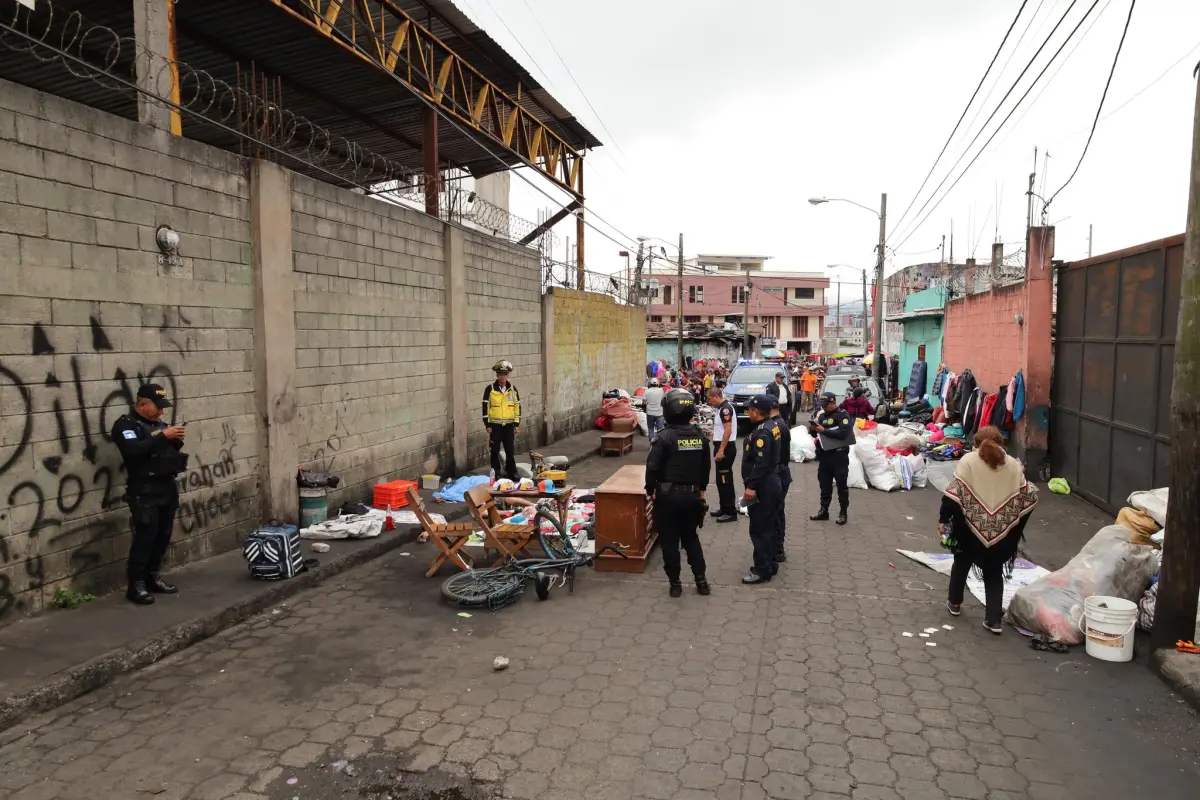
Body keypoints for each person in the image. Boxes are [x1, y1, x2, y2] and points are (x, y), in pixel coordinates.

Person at [940, 426, 1039, 633]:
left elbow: (953, 495)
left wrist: (944, 519)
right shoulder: (1013, 465)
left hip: (969, 527)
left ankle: (955, 603)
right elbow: (1029, 495)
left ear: (976, 443)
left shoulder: (968, 461)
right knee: (993, 571)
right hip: (1001, 531)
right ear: (1002, 443)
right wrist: (1013, 523)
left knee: (961, 562)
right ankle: (993, 620)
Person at [111, 384, 188, 605]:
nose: (161, 411)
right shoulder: (125, 425)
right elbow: (133, 450)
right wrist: (163, 436)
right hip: (144, 490)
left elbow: (163, 450)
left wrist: (174, 439)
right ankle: (136, 584)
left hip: (166, 486)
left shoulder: (159, 426)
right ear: (142, 404)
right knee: (146, 536)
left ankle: (152, 576)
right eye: (158, 407)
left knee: (163, 535)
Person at [644, 390, 712, 598]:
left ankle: (675, 584)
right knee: (691, 537)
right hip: (692, 496)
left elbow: (652, 467)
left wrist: (650, 490)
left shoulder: (663, 437)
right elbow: (706, 466)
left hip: (668, 498)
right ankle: (701, 582)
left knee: (670, 541)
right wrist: (702, 489)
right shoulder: (700, 435)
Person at [741, 396, 781, 585]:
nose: (748, 412)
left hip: (763, 485)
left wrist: (751, 487)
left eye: (749, 409)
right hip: (771, 482)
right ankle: (771, 563)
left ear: (756, 411)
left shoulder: (762, 433)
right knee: (769, 526)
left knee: (759, 529)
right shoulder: (772, 425)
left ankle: (762, 570)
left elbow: (761, 464)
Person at [809, 391, 852, 525]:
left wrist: (824, 430)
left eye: (825, 404)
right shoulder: (822, 416)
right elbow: (817, 435)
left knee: (841, 485)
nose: (823, 407)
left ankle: (843, 512)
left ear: (832, 402)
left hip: (839, 456)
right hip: (825, 455)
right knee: (824, 484)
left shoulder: (842, 415)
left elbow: (843, 433)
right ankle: (824, 511)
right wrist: (813, 429)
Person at [482, 360, 520, 481]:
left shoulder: (513, 389)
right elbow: (485, 407)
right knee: (494, 450)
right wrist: (487, 424)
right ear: (497, 375)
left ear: (508, 375)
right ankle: (496, 472)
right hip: (495, 426)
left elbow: (517, 407)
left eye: (505, 374)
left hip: (509, 425)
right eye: (500, 374)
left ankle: (512, 472)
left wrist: (516, 424)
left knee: (510, 450)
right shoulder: (490, 389)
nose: (503, 377)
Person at [767, 395, 792, 564]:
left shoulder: (777, 426)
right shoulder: (779, 424)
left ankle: (778, 548)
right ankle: (776, 547)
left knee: (775, 512)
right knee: (776, 511)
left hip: (778, 473)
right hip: (780, 472)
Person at [707, 386, 738, 523]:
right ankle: (724, 507)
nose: (709, 402)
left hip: (725, 448)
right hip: (722, 445)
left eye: (710, 399)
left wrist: (721, 450)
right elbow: (723, 430)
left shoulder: (725, 409)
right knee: (720, 480)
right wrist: (713, 433)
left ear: (716, 396)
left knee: (725, 480)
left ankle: (730, 511)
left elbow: (728, 430)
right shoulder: (721, 408)